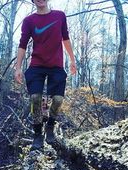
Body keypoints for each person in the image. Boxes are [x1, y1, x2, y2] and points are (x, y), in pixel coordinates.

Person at [14, 0, 76, 150]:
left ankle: (50, 126)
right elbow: (22, 44)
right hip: (37, 65)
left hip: (56, 66)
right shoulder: (29, 21)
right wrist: (18, 67)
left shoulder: (59, 16)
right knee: (35, 98)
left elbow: (65, 38)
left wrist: (73, 60)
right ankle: (37, 134)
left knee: (58, 99)